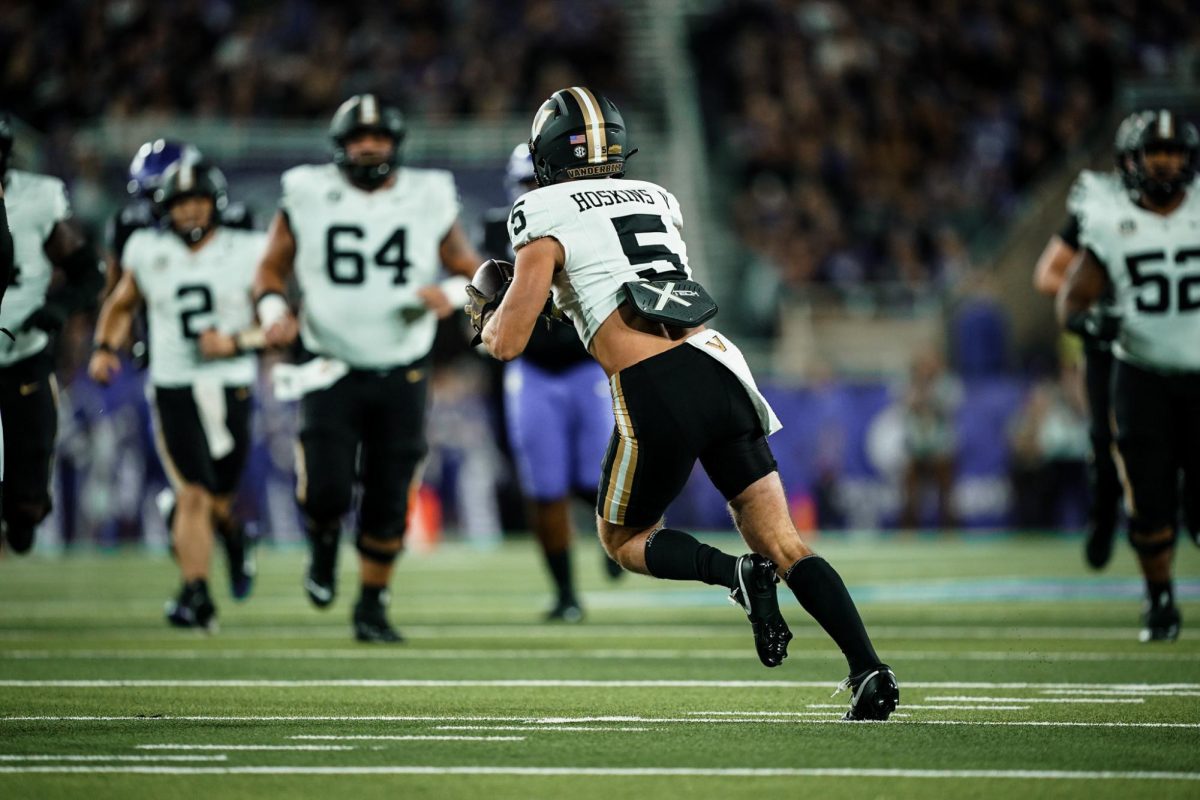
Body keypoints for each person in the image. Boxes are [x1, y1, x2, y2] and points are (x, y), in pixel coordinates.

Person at [470, 87, 897, 719]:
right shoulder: (656, 195)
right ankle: (869, 668)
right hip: (721, 363)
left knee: (623, 537)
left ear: (548, 154)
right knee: (786, 543)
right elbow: (627, 278)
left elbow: (507, 343)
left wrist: (484, 318)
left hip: (655, 384)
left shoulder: (537, 210)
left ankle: (733, 577)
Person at [253, 94, 482, 643]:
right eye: (358, 138)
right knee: (326, 488)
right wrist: (272, 308)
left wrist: (451, 291)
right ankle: (324, 546)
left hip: (402, 367)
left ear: (395, 143)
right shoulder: (307, 192)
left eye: (378, 137)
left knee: (389, 492)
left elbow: (473, 269)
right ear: (340, 147)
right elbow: (270, 267)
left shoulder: (427, 194)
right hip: (328, 361)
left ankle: (372, 606)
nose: (369, 146)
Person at [89, 159, 266, 631]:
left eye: (198, 201)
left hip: (233, 382)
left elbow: (282, 322)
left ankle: (234, 537)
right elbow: (122, 302)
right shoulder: (147, 248)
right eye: (180, 203)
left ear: (215, 204)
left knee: (218, 502)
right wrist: (106, 346)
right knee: (192, 493)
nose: (189, 212)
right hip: (174, 385)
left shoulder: (249, 249)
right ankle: (196, 594)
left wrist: (236, 341)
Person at [1059, 109, 1200, 642]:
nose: (1165, 162)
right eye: (1155, 152)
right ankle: (1160, 600)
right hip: (1141, 374)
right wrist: (1091, 319)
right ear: (1133, 161)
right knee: (1147, 493)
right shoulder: (1109, 219)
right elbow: (1071, 296)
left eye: (1174, 152)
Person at [482, 145, 619, 622]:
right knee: (544, 489)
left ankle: (616, 538)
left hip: (586, 367)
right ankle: (565, 593)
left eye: (536, 186)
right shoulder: (497, 228)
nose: (530, 196)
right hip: (532, 372)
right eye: (524, 187)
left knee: (598, 478)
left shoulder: (582, 223)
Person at [1034, 110, 1151, 568]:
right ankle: (1104, 512)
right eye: (1147, 155)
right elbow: (1048, 274)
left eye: (1167, 155)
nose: (1157, 167)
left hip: (1173, 345)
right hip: (1111, 344)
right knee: (1106, 441)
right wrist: (1099, 301)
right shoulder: (1098, 211)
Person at [0, 111, 103, 555]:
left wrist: (58, 307)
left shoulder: (36, 199)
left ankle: (22, 518)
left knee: (28, 501)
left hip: (24, 353)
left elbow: (89, 275)